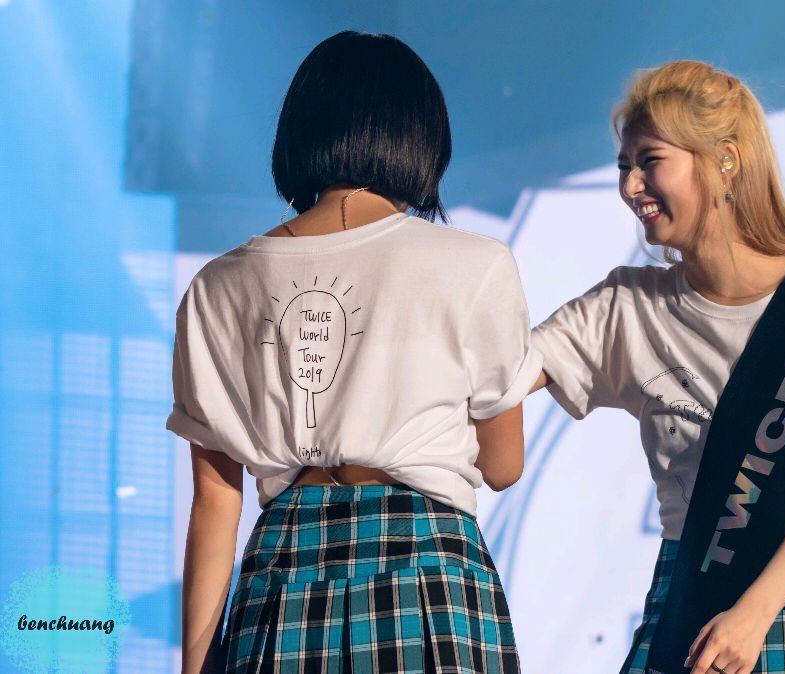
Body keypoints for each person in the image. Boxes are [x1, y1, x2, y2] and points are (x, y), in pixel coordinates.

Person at [167, 31, 542, 673]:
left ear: (298, 134)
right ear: (421, 139)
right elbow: (503, 467)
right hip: (428, 566)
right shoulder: (475, 263)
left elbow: (214, 500)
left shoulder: (216, 285)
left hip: (282, 571)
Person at [529, 61, 785, 673]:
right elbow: (504, 374)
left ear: (726, 160)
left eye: (650, 161)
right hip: (687, 596)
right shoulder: (627, 304)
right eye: (624, 167)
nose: (631, 186)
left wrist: (753, 615)